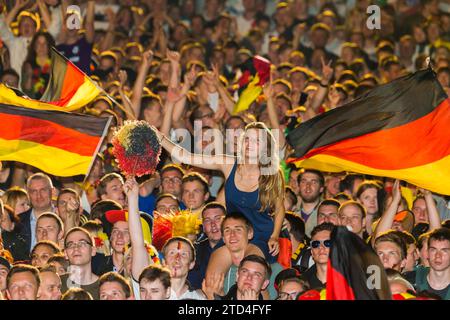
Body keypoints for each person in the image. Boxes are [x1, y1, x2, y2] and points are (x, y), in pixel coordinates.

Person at [156, 122, 285, 280]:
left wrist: (274, 236)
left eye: (257, 141)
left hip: (260, 236)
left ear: (266, 149)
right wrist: (160, 137)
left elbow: (280, 209)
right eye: (247, 139)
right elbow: (185, 156)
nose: (249, 144)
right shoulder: (229, 164)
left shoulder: (272, 173)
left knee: (249, 274)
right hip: (231, 234)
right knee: (212, 278)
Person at [9, 173, 55, 261]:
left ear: (52, 191)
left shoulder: (63, 218)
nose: (39, 196)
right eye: (34, 191)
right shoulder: (17, 221)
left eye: (43, 190)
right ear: (28, 194)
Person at [404, 228, 450, 300]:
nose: (438, 256)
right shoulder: (410, 280)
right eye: (433, 250)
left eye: (444, 250)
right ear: (427, 253)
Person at [188, 202, 225, 289]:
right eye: (208, 220)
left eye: (218, 219)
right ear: (203, 227)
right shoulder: (194, 251)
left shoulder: (236, 248)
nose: (213, 225)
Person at [60, 227, 99, 300]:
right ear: (65, 253)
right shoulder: (57, 285)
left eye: (82, 243)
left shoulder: (104, 287)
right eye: (70, 245)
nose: (76, 248)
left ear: (93, 250)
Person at [300, 222, 334, 290]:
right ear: (312, 252)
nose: (321, 247)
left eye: (327, 243)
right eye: (316, 244)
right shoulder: (301, 285)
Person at [297, 169, 324, 237]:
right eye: (304, 181)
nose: (308, 186)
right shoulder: (289, 210)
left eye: (314, 182)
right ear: (299, 186)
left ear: (321, 188)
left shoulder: (328, 212)